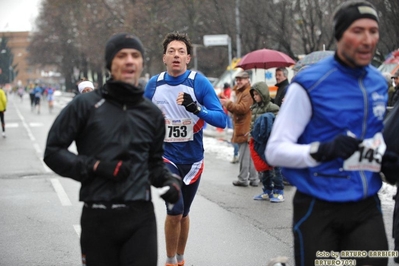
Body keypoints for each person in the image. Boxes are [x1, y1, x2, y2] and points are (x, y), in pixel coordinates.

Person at [265, 1, 398, 265]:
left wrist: (386, 157)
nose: (368, 39)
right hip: (317, 203)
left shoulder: (378, 83)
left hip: (364, 204)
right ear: (339, 35)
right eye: (358, 31)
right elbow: (275, 151)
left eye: (373, 31)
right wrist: (322, 150)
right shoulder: (309, 83)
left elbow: (371, 136)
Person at [44, 32, 182, 266]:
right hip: (98, 216)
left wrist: (170, 182)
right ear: (110, 64)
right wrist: (95, 166)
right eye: (122, 55)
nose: (129, 60)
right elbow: (53, 151)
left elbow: (154, 165)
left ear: (141, 63)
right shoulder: (85, 105)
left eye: (135, 55)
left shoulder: (151, 113)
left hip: (140, 218)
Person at [144, 32, 226, 266]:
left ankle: (180, 259)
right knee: (175, 208)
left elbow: (221, 120)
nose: (176, 55)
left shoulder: (198, 82)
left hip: (193, 160)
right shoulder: (154, 84)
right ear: (164, 58)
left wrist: (196, 108)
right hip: (165, 157)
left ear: (188, 58)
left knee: (184, 211)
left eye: (181, 52)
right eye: (172, 51)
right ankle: (169, 261)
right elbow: (138, 117)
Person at [221, 70, 259, 187]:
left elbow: (242, 109)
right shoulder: (243, 92)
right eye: (237, 80)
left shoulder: (247, 93)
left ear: (247, 80)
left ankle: (243, 179)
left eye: (240, 79)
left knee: (244, 156)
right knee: (249, 156)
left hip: (245, 127)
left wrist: (227, 103)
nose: (238, 82)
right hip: (246, 126)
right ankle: (254, 179)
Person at [248, 81, 284, 202]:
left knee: (274, 167)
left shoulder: (272, 107)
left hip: (270, 142)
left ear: (262, 94)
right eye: (253, 94)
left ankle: (279, 191)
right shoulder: (254, 108)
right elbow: (252, 124)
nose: (255, 97)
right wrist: (251, 135)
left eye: (257, 94)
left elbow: (278, 123)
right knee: (264, 168)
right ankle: (267, 190)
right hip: (258, 142)